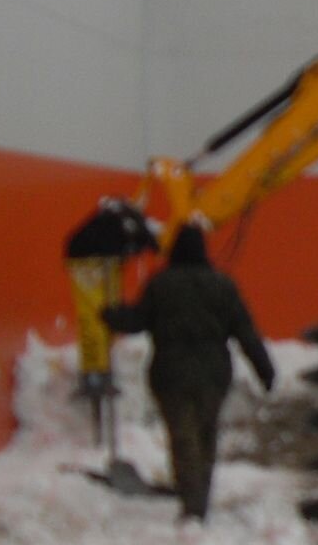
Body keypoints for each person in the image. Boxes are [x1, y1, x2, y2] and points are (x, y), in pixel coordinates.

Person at [102, 222, 274, 522]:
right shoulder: (223, 285)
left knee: (183, 437)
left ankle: (192, 505)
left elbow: (137, 321)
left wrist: (110, 315)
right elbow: (246, 332)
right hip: (214, 373)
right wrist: (265, 370)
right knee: (205, 435)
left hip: (171, 372)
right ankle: (199, 500)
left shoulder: (161, 284)